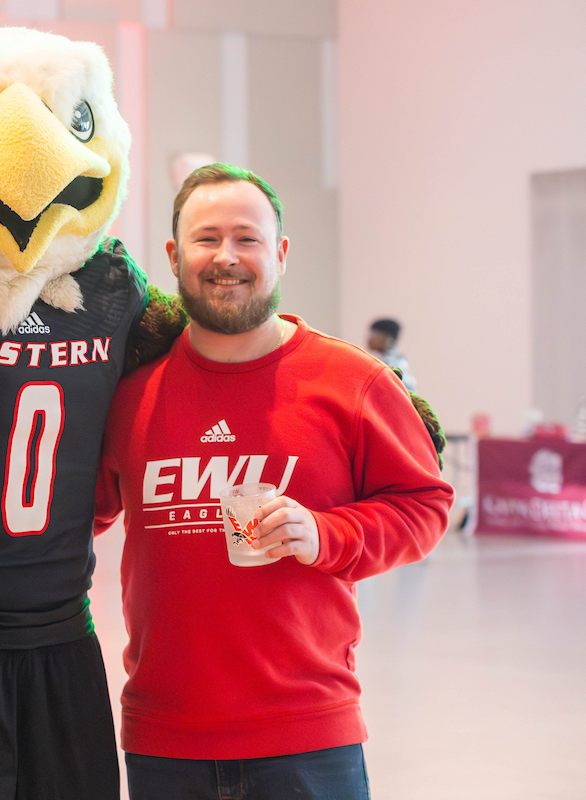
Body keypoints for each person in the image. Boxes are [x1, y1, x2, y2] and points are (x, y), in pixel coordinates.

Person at [94, 163, 454, 799]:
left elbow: (424, 504)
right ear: (174, 257)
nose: (226, 257)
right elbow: (72, 517)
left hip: (308, 736)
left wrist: (326, 534)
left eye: (247, 238)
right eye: (207, 239)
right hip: (165, 739)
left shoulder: (352, 381)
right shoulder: (131, 396)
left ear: (281, 253)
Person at [366, 317, 417, 390]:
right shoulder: (391, 360)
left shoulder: (391, 362)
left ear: (388, 339)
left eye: (374, 334)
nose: (369, 339)